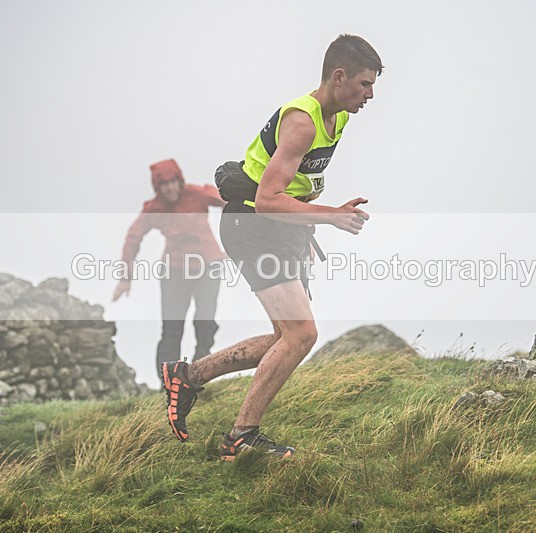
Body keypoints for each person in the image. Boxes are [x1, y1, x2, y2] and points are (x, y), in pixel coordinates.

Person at [162, 35, 383, 460]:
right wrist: (329, 215)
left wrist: (303, 231)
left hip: (279, 228)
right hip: (252, 224)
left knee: (286, 335)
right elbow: (266, 199)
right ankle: (241, 436)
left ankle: (188, 376)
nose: (370, 95)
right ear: (339, 77)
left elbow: (295, 186)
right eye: (364, 84)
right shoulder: (302, 120)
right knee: (302, 334)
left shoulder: (338, 117)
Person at [113, 159, 226, 380]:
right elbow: (133, 238)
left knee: (205, 322)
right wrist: (125, 278)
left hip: (209, 266)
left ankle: (200, 371)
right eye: (164, 185)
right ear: (158, 188)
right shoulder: (154, 209)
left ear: (179, 181)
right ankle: (169, 383)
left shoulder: (198, 194)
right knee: (172, 329)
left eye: (173, 182)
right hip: (174, 272)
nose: (170, 189)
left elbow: (231, 203)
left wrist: (238, 242)